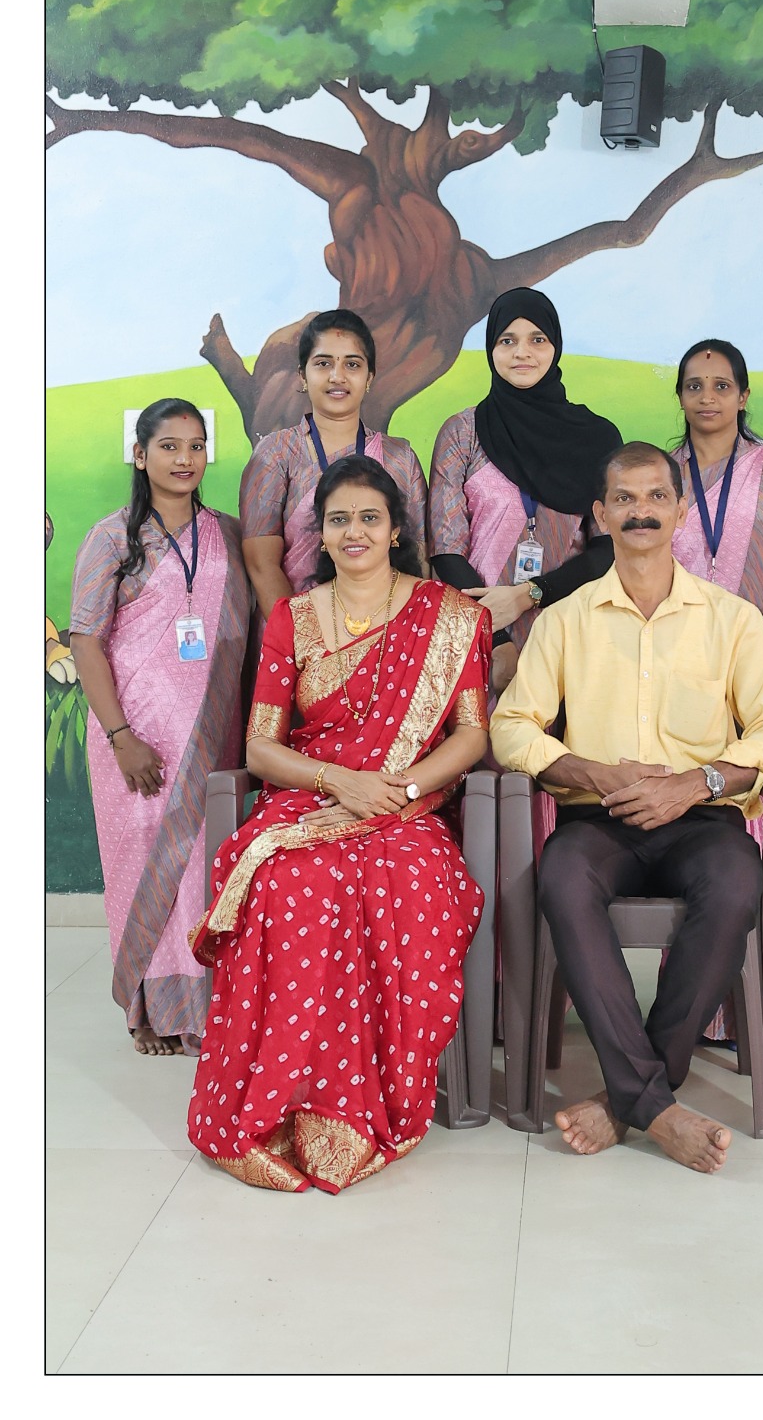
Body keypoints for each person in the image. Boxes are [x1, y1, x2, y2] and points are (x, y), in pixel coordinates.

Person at [491, 442, 763, 1172]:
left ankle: (626, 1099)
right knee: (562, 879)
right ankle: (658, 1106)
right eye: (624, 499)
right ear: (600, 515)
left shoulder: (731, 619)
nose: (641, 512)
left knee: (737, 882)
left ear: (680, 511)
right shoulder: (565, 620)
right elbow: (512, 727)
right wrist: (592, 771)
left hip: (702, 816)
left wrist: (695, 784)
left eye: (656, 497)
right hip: (598, 820)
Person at [187, 455, 491, 1192]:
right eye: (339, 520)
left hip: (405, 806)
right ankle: (278, 1104)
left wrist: (402, 786)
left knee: (412, 882)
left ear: (395, 531)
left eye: (369, 518)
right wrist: (340, 782)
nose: (355, 532)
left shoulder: (450, 616)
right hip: (312, 800)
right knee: (288, 885)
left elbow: (472, 733)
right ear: (320, 534)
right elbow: (261, 748)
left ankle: (353, 1110)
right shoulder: (292, 618)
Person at [70, 399, 251, 1056]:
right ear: (140, 454)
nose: (185, 459)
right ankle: (145, 1011)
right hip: (137, 737)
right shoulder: (111, 538)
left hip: (213, 730)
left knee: (204, 868)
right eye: (169, 446)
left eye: (196, 445)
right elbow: (86, 641)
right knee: (144, 868)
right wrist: (121, 738)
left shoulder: (227, 532)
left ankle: (204, 1009)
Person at [669, 337, 763, 1040]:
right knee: (695, 807)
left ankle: (756, 1004)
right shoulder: (660, 475)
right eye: (694, 385)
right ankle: (693, 1009)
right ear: (680, 395)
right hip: (678, 661)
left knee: (757, 805)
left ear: (743, 394)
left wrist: (748, 647)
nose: (708, 397)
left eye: (721, 385)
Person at [428, 286, 622, 701]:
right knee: (473, 740)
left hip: (566, 631)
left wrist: (528, 595)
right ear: (491, 349)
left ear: (555, 347)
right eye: (507, 341)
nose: (522, 353)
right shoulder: (463, 432)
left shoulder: (597, 438)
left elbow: (606, 549)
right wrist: (496, 638)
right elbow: (445, 551)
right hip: (476, 634)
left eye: (537, 339)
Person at [239, 308, 428, 619]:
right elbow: (261, 564)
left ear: (369, 378)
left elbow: (418, 557)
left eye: (352, 364)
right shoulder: (275, 454)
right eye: (323, 363)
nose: (337, 376)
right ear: (303, 375)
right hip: (292, 633)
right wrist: (305, 636)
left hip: (385, 631)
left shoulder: (400, 458)